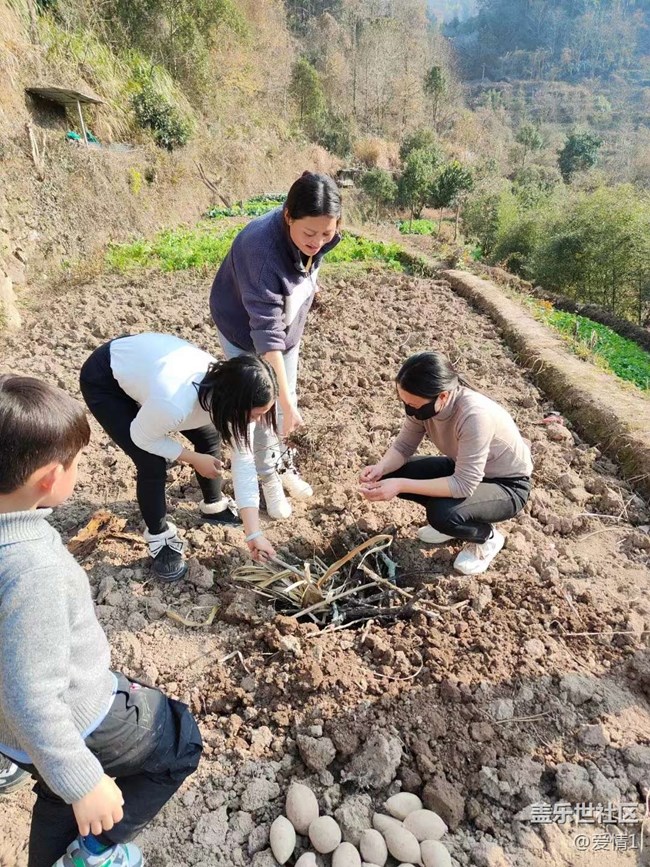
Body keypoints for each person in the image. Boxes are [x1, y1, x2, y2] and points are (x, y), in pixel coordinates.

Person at [0, 374, 203, 867]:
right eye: (75, 462)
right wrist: (84, 781)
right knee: (179, 743)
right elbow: (32, 696)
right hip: (74, 718)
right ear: (50, 478)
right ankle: (94, 851)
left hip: (14, 734)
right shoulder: (34, 571)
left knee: (57, 789)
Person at [80, 333, 279, 582]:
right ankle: (160, 538)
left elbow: (244, 461)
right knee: (151, 462)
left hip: (148, 372)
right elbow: (142, 438)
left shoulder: (231, 390)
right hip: (107, 379)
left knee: (209, 437)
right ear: (233, 403)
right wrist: (192, 458)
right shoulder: (175, 403)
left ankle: (214, 506)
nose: (258, 421)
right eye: (256, 414)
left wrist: (253, 534)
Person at [210, 170, 342, 520]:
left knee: (287, 400)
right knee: (262, 407)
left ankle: (282, 465)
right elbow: (266, 336)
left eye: (327, 233)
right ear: (288, 216)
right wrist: (281, 401)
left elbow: (306, 268)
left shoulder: (317, 234)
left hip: (286, 330)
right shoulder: (260, 251)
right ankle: (268, 479)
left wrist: (287, 400)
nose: (318, 242)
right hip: (245, 331)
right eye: (309, 234)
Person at [359, 352, 533, 575]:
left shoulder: (474, 416)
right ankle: (455, 524)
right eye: (406, 404)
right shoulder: (423, 406)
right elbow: (403, 447)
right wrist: (381, 468)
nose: (411, 411)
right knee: (391, 475)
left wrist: (400, 485)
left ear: (442, 396)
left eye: (414, 405)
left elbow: (464, 485)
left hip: (506, 485)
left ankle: (486, 537)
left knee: (442, 514)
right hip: (463, 467)